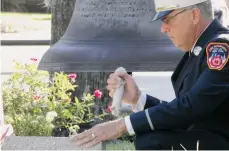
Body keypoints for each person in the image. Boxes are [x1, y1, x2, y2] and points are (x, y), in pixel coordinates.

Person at [70, 0, 229, 149]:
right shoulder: (200, 48)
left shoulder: (220, 47)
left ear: (194, 15)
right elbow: (185, 115)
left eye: (168, 19)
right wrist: (137, 98)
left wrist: (122, 126)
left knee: (150, 141)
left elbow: (191, 108)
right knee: (144, 136)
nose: (163, 28)